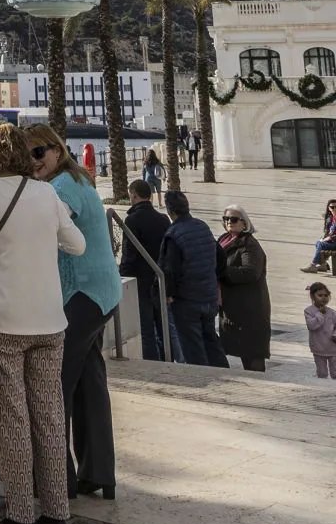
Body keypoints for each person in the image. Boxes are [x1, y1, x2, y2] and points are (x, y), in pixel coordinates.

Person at [0, 122, 85, 524]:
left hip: (3, 322)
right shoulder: (46, 194)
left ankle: (20, 517)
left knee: (13, 421)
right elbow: (77, 245)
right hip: (50, 321)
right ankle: (57, 518)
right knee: (49, 417)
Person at [28, 124, 121, 501]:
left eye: (39, 153)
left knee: (55, 385)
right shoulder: (77, 179)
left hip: (82, 293)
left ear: (56, 150)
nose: (34, 161)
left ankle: (57, 479)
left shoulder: (59, 189)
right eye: (27, 155)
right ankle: (99, 472)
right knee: (88, 383)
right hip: (101, 293)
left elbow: (44, 231)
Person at [159, 189, 229, 367]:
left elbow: (170, 269)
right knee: (211, 339)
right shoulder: (202, 226)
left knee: (192, 346)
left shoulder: (173, 234)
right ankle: (224, 372)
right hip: (207, 295)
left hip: (187, 300)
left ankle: (202, 380)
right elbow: (221, 257)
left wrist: (169, 294)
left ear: (170, 211)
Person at [119, 179, 171, 361]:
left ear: (133, 194)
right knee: (163, 326)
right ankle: (168, 361)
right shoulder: (163, 219)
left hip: (141, 282)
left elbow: (129, 254)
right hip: (160, 281)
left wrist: (122, 276)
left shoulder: (131, 220)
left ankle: (153, 364)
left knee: (146, 329)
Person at [216, 204, 270, 372]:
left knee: (252, 354)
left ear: (244, 223)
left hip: (250, 310)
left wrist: (222, 273)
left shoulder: (249, 244)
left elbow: (251, 271)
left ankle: (259, 388)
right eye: (226, 219)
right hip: (233, 308)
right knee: (242, 351)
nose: (229, 222)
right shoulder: (223, 240)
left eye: (233, 219)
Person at [304, 282, 336, 378]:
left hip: (332, 347)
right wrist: (320, 314)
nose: (323, 298)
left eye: (326, 295)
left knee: (335, 372)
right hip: (318, 347)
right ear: (313, 297)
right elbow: (311, 326)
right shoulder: (309, 311)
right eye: (320, 295)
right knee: (322, 373)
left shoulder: (332, 312)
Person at [302, 199, 336, 272]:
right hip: (332, 241)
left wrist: (330, 238)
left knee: (320, 244)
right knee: (319, 242)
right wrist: (326, 238)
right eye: (332, 207)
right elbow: (328, 231)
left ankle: (313, 265)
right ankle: (323, 264)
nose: (334, 209)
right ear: (329, 208)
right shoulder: (330, 218)